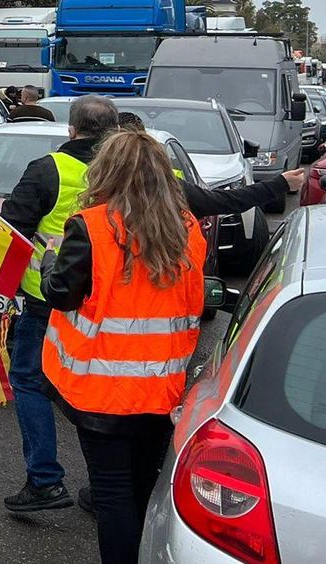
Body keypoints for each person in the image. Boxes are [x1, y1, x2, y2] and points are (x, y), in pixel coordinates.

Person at [0, 94, 303, 515]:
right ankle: (106, 490)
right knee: (127, 453)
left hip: (55, 303)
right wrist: (278, 185)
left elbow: (12, 228)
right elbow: (223, 202)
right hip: (150, 351)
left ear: (73, 128)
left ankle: (45, 479)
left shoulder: (48, 171)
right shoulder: (167, 188)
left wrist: (39, 261)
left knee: (36, 384)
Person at [41, 129, 205, 564]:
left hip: (102, 393)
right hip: (162, 389)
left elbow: (61, 294)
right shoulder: (188, 229)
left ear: (106, 172)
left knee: (112, 493)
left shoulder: (92, 227)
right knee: (140, 487)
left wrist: (49, 261)